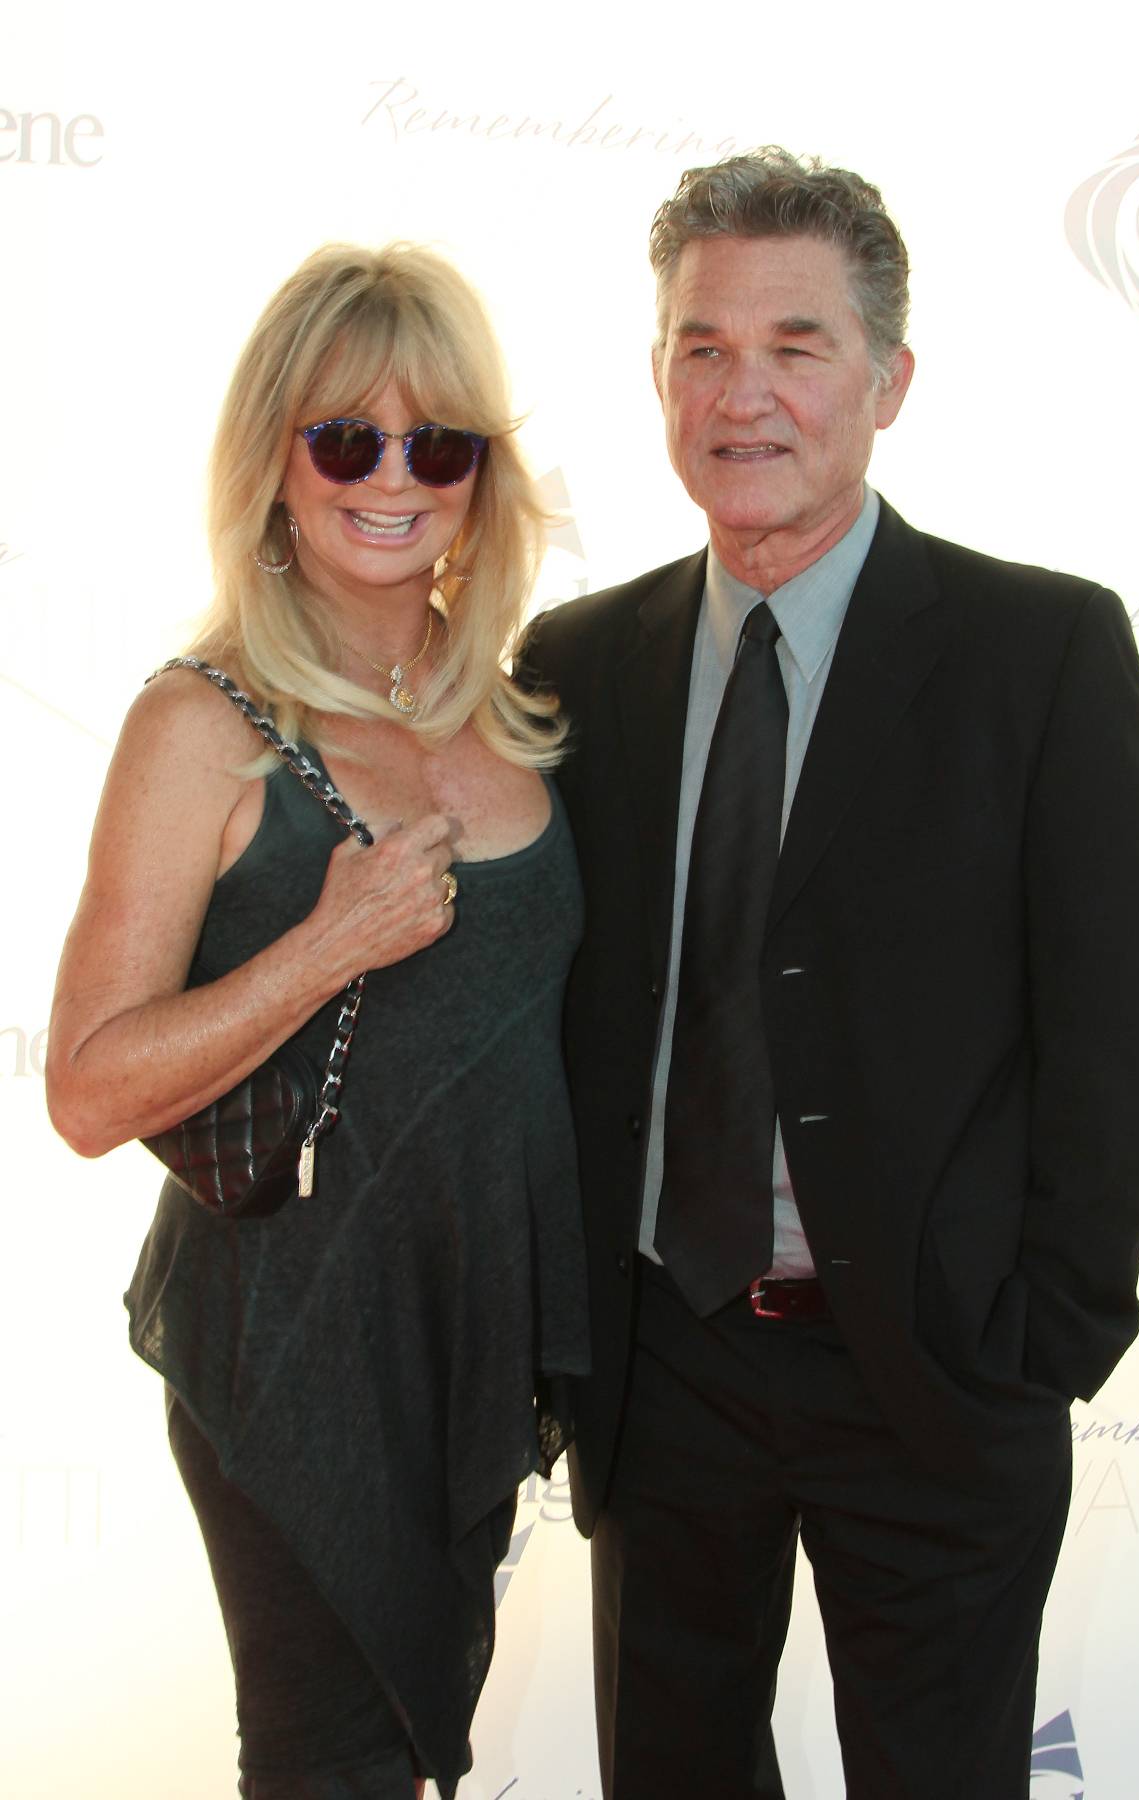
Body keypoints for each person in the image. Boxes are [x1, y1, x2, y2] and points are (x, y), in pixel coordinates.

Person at [518, 149, 1139, 1799]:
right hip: (664, 1365)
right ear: (659, 378)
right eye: (702, 348)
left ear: (889, 382)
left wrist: (1044, 1335)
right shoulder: (574, 664)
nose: (742, 394)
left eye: (795, 346)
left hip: (938, 1372)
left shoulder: (1042, 651)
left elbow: (1119, 1031)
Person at [46, 243, 588, 1800]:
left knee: (399, 1749)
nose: (395, 479)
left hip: (471, 1331)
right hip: (292, 1336)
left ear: (484, 472)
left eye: (440, 443)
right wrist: (326, 945)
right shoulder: (200, 724)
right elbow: (86, 1090)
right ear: (275, 462)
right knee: (329, 1761)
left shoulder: (520, 711)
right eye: (347, 440)